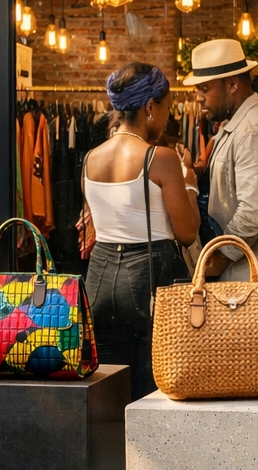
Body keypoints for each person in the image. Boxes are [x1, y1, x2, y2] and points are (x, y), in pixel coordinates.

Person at [83, 63, 202, 398]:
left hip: (100, 278)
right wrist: (190, 185)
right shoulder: (160, 158)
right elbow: (187, 233)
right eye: (166, 107)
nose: (167, 116)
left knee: (108, 385)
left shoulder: (91, 158)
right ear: (150, 106)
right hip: (149, 274)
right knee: (155, 385)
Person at [186, 39, 258, 282]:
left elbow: (254, 212)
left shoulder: (253, 130)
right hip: (243, 276)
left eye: (204, 88)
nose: (199, 98)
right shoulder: (239, 125)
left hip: (253, 281)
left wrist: (219, 259)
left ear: (232, 84)